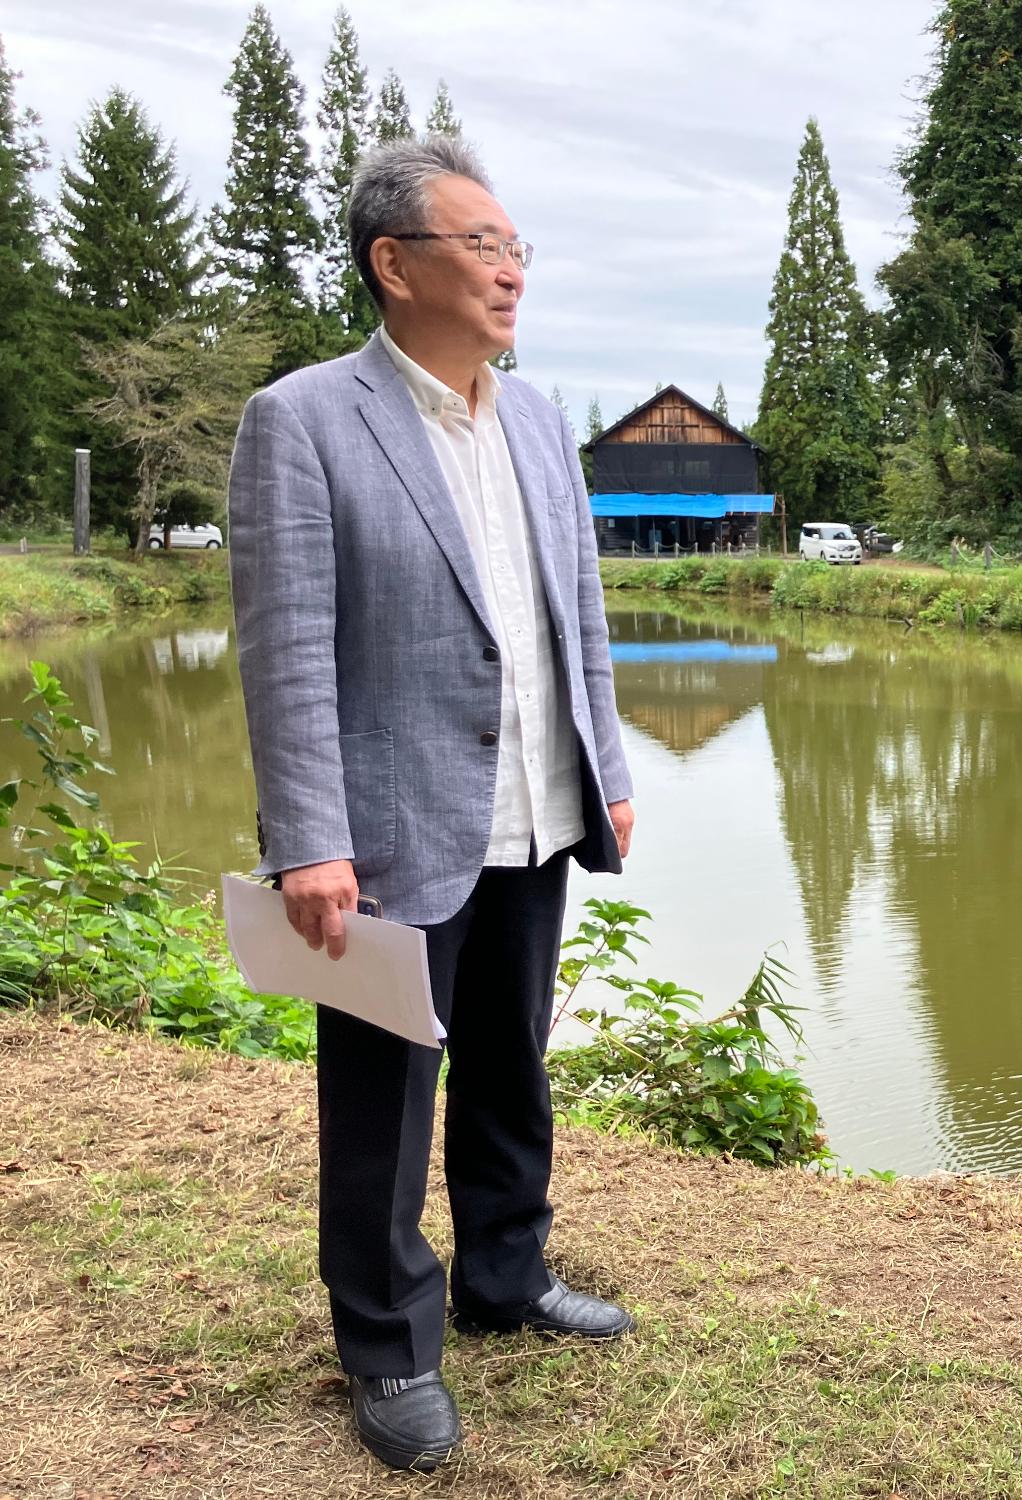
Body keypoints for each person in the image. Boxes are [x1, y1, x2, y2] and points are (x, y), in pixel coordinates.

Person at [228, 134, 637, 1473]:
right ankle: (390, 1343)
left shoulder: (533, 415)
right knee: (385, 1093)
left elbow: (576, 606)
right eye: (485, 246)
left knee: (513, 1060)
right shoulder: (302, 420)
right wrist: (311, 838)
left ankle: (506, 1278)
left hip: (534, 804)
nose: (512, 271)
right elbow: (286, 646)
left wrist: (609, 772)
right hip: (391, 825)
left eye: (518, 248)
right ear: (393, 267)